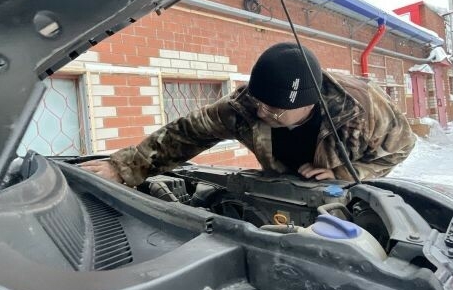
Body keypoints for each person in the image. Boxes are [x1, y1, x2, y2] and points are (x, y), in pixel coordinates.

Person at [80, 42, 415, 185]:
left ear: (311, 102)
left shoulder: (361, 108)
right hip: (280, 196)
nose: (262, 111)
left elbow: (402, 147)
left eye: (275, 107)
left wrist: (347, 173)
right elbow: (186, 133)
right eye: (259, 100)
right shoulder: (244, 107)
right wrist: (122, 167)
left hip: (340, 204)